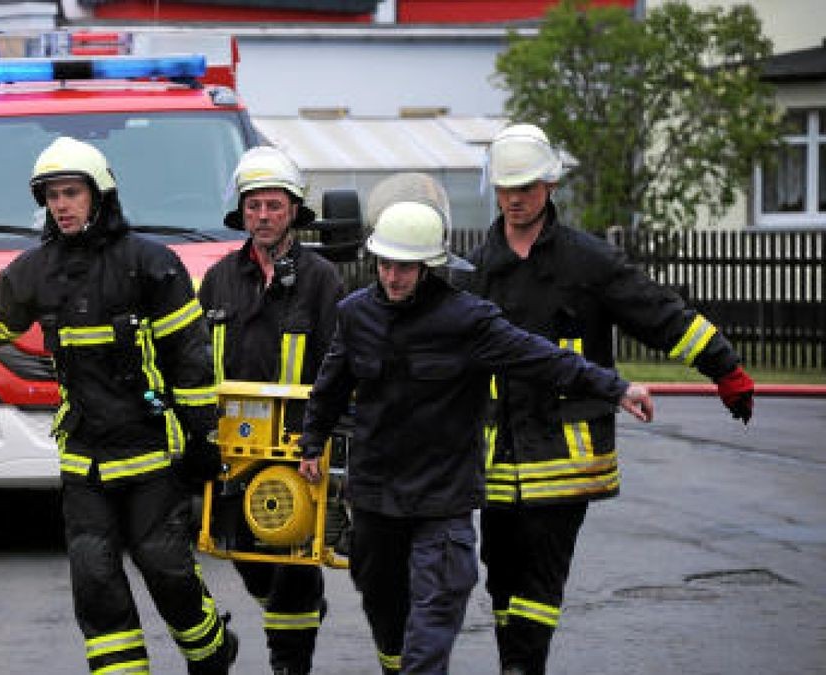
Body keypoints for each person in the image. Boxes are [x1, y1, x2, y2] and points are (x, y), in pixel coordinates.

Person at [0, 137, 238, 674]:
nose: (61, 205)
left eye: (71, 193)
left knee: (167, 569)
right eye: (51, 196)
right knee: (95, 581)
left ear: (100, 195)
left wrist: (203, 440)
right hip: (84, 458)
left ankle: (211, 654)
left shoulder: (151, 265)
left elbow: (190, 361)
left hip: (151, 456)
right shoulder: (34, 271)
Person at [295, 200, 654, 675]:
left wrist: (617, 387)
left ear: (429, 267)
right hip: (377, 497)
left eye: (405, 266)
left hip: (442, 499)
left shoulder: (467, 320)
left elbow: (542, 358)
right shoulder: (355, 314)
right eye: (385, 264)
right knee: (385, 608)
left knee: (438, 604)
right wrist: (312, 441)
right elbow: (332, 384)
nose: (392, 276)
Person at [461, 123, 755, 675]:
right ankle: (516, 663)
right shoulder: (479, 270)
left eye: (525, 186)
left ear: (549, 185)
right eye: (505, 188)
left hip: (567, 450)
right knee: (499, 570)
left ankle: (522, 669)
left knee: (540, 571)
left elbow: (657, 312)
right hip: (499, 457)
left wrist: (724, 367)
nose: (515, 198)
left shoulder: (585, 261)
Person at [198, 147, 342, 675]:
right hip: (234, 448)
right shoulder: (218, 279)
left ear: (293, 212)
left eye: (274, 206)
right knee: (246, 555)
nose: (262, 216)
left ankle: (290, 661)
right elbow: (197, 359)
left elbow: (337, 361)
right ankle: (297, 612)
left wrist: (320, 439)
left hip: (297, 446)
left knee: (293, 561)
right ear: (242, 212)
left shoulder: (321, 279)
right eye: (254, 206)